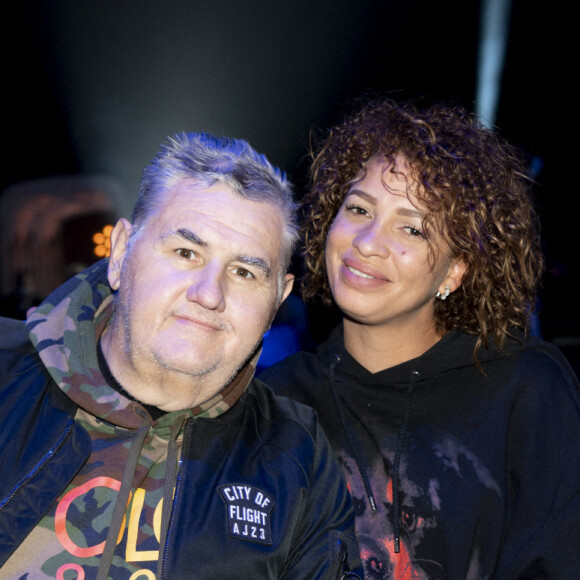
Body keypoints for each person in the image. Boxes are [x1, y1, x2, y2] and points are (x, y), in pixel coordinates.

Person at [0, 132, 362, 579]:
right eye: (186, 252)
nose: (209, 293)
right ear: (119, 254)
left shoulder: (296, 459)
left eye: (245, 272)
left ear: (276, 300)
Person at [260, 98, 580, 579]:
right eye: (358, 208)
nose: (368, 242)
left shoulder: (524, 388)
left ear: (455, 270)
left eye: (411, 228)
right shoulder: (277, 400)